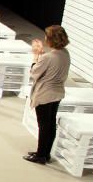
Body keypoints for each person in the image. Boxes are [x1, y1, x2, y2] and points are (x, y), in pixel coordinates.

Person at [25, 25, 71, 164]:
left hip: (45, 94)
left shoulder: (47, 57)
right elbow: (51, 62)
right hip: (57, 93)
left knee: (44, 126)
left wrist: (36, 56)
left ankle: (40, 155)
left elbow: (34, 73)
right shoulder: (65, 53)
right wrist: (42, 54)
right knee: (50, 125)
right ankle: (45, 153)